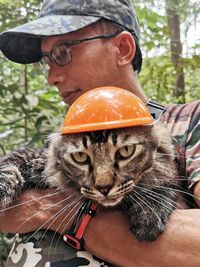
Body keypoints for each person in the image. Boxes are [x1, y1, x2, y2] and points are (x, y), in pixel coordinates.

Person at [0, 0, 200, 266]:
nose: (51, 77)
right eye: (46, 61)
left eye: (63, 53)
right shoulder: (67, 141)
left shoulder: (188, 121)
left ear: (123, 48)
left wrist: (51, 211)